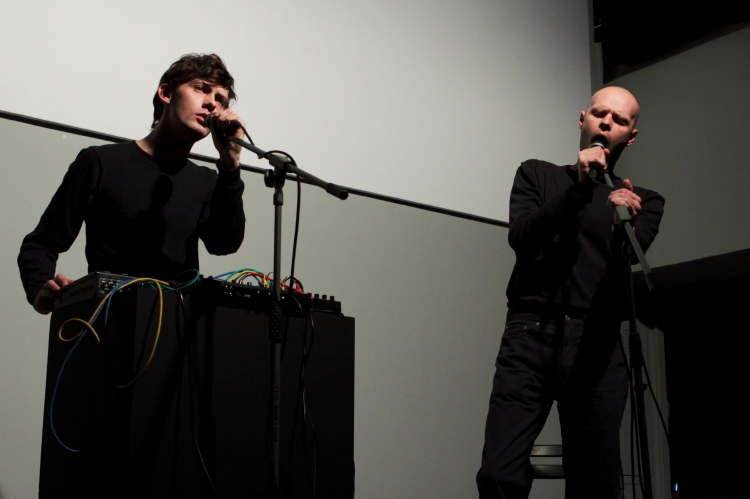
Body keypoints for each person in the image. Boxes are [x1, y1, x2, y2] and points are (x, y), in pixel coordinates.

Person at [476, 86, 665, 498]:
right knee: (499, 473)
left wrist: (621, 221)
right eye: (600, 113)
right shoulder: (537, 174)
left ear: (630, 136)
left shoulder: (642, 201)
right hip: (531, 335)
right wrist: (579, 188)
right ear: (583, 119)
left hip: (598, 342)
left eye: (619, 120)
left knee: (596, 482)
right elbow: (522, 238)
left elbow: (625, 260)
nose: (606, 123)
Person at [18, 53, 247, 314]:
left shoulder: (207, 180)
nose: (212, 104)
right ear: (166, 93)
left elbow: (224, 243)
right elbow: (41, 243)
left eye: (220, 100)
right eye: (200, 88)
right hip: (110, 321)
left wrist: (230, 163)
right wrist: (39, 290)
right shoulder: (101, 162)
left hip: (177, 326)